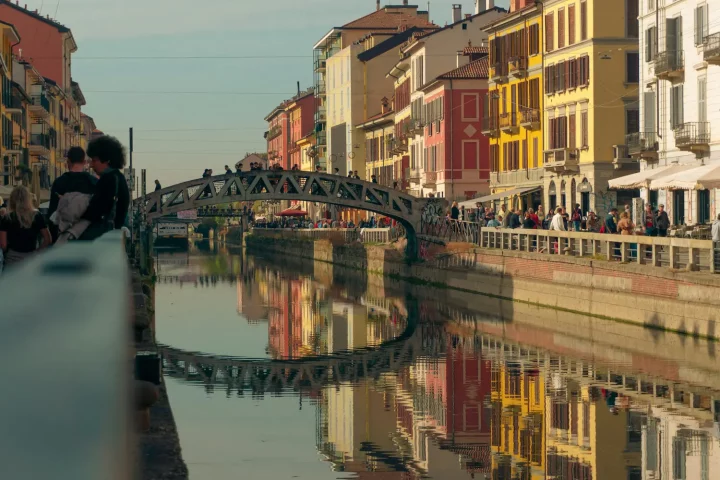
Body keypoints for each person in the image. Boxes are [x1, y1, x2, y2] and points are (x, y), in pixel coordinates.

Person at [80, 135, 131, 240]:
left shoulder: (108, 179)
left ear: (106, 160)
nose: (91, 165)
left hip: (101, 237)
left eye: (94, 161)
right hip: (113, 235)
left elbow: (96, 209)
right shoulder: (119, 178)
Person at [47, 146, 97, 243]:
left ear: (68, 162)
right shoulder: (93, 182)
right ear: (84, 162)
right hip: (87, 238)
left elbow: (53, 213)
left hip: (64, 238)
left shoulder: (59, 183)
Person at [0, 185, 51, 266]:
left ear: (12, 200)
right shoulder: (37, 216)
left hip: (12, 259)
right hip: (31, 258)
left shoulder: (7, 218)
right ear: (28, 200)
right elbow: (47, 239)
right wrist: (37, 252)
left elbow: (3, 244)